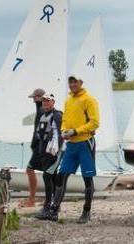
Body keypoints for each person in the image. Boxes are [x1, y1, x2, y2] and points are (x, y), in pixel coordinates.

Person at [46, 75, 99, 224]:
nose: (73, 84)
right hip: (71, 145)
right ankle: (54, 210)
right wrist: (64, 131)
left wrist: (75, 131)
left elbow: (95, 123)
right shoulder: (68, 100)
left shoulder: (89, 100)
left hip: (85, 143)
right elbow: (65, 120)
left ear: (81, 83)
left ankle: (86, 211)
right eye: (70, 82)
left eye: (75, 82)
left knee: (87, 178)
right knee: (62, 175)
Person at [31, 93, 64, 220]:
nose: (45, 103)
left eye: (47, 101)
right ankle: (55, 205)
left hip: (54, 151)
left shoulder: (57, 116)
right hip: (44, 151)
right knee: (53, 177)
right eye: (44, 101)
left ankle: (47, 206)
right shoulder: (43, 114)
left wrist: (56, 150)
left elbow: (60, 134)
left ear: (53, 102)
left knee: (47, 175)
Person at [20, 87, 45, 208]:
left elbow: (40, 131)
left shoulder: (41, 109)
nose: (33, 100)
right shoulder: (41, 109)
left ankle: (32, 200)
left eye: (34, 97)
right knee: (48, 172)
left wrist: (36, 145)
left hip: (41, 147)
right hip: (40, 147)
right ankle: (46, 199)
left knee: (30, 170)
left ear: (39, 97)